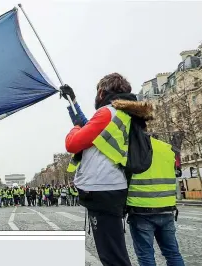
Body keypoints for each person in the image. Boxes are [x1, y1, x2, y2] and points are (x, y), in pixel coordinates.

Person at [62, 73, 157, 266]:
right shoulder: (122, 113)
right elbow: (91, 127)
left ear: (101, 92)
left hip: (101, 188)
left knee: (112, 257)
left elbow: (73, 143)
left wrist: (75, 128)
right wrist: (73, 102)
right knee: (113, 253)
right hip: (113, 187)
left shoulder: (107, 113)